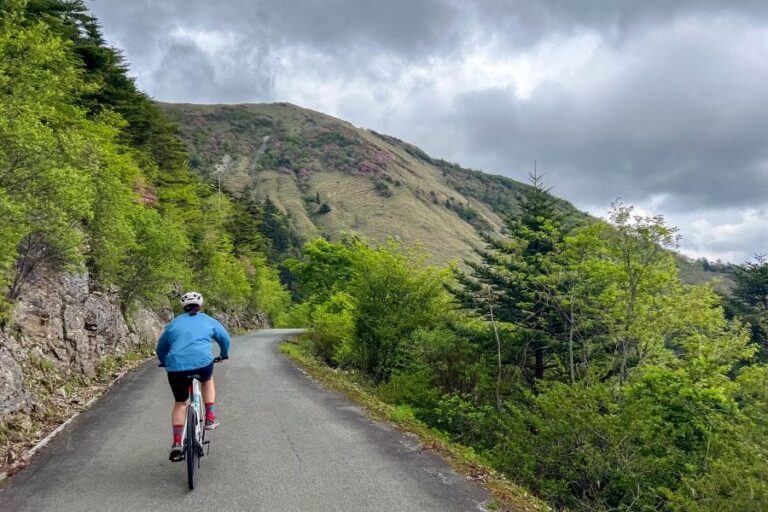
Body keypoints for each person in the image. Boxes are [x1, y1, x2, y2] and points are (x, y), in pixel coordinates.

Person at [156, 291, 231, 461]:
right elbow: (225, 338)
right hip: (203, 363)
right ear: (200, 305)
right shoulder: (208, 320)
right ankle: (210, 417)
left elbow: (161, 348)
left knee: (181, 403)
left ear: (183, 307)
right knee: (207, 380)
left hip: (176, 368)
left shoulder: (173, 324)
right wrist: (224, 354)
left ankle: (176, 443)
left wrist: (164, 362)